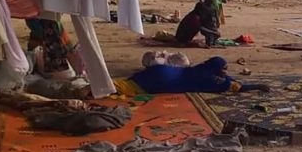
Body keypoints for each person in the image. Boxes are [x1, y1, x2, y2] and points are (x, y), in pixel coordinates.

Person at [115, 57, 270, 95]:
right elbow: (236, 87)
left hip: (163, 70)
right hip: (165, 80)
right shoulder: (213, 79)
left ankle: (104, 85)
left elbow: (229, 79)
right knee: (126, 89)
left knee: (125, 84)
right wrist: (257, 86)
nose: (225, 72)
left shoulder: (202, 68)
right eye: (224, 69)